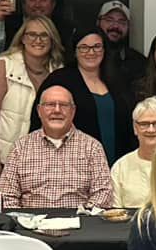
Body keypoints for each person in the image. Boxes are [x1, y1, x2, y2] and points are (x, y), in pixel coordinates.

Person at [0, 16, 64, 180]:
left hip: (42, 165)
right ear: (22, 38)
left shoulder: (58, 71)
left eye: (44, 35)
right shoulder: (4, 66)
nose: (38, 40)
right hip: (3, 162)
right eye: (32, 34)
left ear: (52, 40)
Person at [0, 86, 115, 209]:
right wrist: (23, 222)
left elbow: (103, 194)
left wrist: (84, 218)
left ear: (73, 111)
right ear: (39, 110)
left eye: (64, 105)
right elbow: (6, 196)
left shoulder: (92, 147)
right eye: (50, 104)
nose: (57, 110)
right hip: (30, 225)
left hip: (80, 224)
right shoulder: (20, 147)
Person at [31, 30, 133, 163]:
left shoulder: (117, 80)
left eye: (96, 46)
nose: (91, 52)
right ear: (75, 51)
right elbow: (40, 121)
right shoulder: (60, 80)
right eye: (84, 47)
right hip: (72, 165)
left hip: (117, 163)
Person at [112, 97, 156, 208]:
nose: (151, 130)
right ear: (135, 128)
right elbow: (116, 212)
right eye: (144, 124)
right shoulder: (120, 167)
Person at [97, 0, 145, 94]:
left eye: (122, 22)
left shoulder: (138, 61)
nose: (115, 26)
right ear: (98, 22)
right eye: (109, 20)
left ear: (128, 27)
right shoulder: (88, 57)